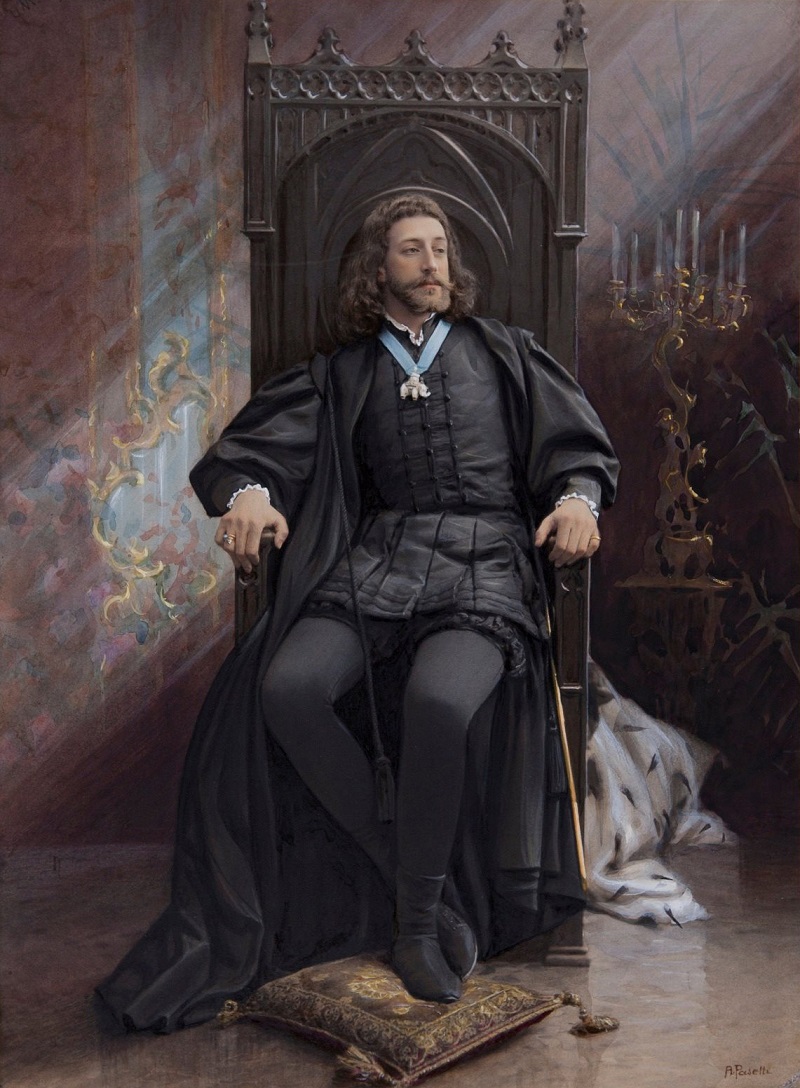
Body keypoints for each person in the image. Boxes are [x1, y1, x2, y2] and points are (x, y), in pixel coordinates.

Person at [97, 193, 618, 1032]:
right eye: (413, 250)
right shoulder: (342, 374)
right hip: (378, 562)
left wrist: (578, 500)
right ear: (378, 268)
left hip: (485, 565)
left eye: (440, 248)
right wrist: (252, 495)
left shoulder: (503, 352)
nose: (433, 263)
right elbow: (253, 455)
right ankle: (409, 871)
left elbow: (575, 451)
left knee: (438, 701)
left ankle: (418, 926)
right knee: (288, 688)